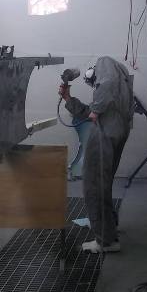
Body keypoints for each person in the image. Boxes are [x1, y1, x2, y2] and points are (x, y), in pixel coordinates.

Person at [58, 57, 133, 253]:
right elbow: (88, 112)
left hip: (103, 136)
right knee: (103, 185)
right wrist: (68, 99)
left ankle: (105, 241)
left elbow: (104, 88)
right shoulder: (118, 85)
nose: (95, 87)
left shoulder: (104, 63)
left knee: (94, 187)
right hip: (115, 133)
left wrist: (96, 109)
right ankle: (108, 230)